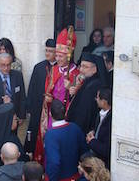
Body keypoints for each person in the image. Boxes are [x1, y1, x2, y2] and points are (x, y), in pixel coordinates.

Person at [34, 27, 79, 164]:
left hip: (66, 116)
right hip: (51, 115)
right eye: (57, 56)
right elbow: (48, 91)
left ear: (69, 56)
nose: (57, 58)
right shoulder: (53, 70)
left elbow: (77, 100)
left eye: (61, 56)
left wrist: (71, 89)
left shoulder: (75, 73)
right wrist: (48, 99)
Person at [45, 99, 87, 181]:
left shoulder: (51, 134)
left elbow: (54, 162)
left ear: (50, 114)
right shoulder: (75, 127)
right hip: (76, 179)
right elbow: (84, 152)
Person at [25, 39, 56, 154]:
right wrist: (29, 108)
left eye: (51, 51)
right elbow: (32, 88)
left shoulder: (60, 68)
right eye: (46, 50)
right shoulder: (39, 67)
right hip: (38, 107)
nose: (47, 53)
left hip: (53, 109)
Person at [67, 53, 103, 135]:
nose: (81, 70)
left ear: (95, 69)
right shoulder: (87, 82)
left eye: (85, 67)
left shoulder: (93, 86)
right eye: (81, 66)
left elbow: (84, 113)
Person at [0, 53, 26, 121]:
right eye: (3, 65)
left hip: (14, 116)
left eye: (8, 65)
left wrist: (21, 115)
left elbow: (22, 96)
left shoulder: (17, 75)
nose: (6, 68)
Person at [86, 88, 112, 169]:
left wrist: (92, 141)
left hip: (102, 163)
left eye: (97, 98)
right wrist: (93, 132)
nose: (96, 99)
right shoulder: (100, 114)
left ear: (104, 101)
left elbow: (106, 150)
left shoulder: (111, 120)